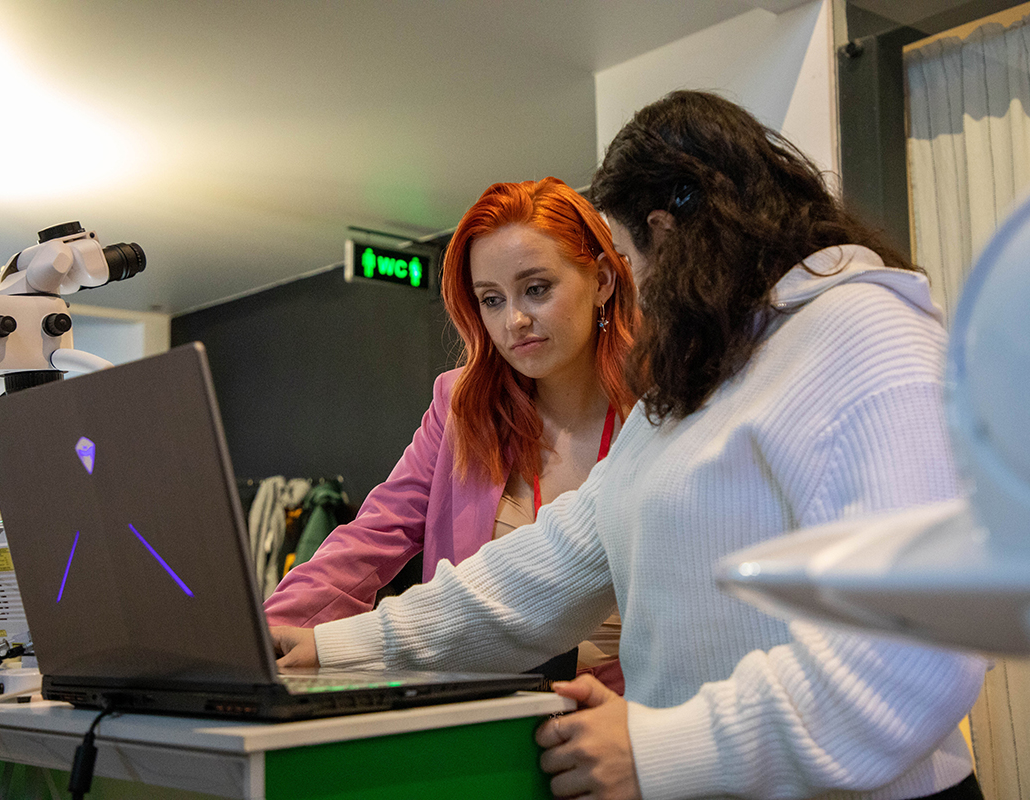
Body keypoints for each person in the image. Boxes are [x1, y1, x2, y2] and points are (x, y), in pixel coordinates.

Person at [273, 91, 987, 800]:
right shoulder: (705, 378)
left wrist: (657, 746)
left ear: (663, 236)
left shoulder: (866, 333)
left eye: (622, 255)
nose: (635, 287)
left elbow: (913, 651)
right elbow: (546, 567)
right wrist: (336, 647)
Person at [264, 177, 638, 692]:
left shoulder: (663, 408)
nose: (515, 320)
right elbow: (370, 538)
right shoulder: (462, 408)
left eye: (536, 289)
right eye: (492, 299)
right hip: (483, 705)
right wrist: (260, 636)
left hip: (629, 710)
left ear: (602, 281)